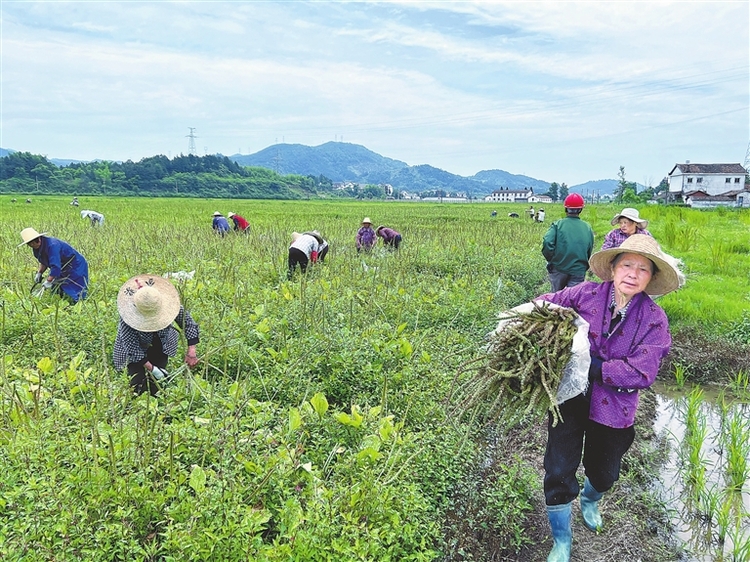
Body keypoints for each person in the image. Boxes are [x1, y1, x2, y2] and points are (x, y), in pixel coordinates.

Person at [535, 234, 681, 562]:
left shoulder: (655, 320)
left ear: (651, 278)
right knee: (558, 469)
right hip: (569, 397)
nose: (632, 273)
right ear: (612, 268)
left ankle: (590, 499)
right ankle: (562, 540)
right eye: (626, 264)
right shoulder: (585, 294)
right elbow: (548, 301)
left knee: (604, 473)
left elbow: (642, 372)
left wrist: (592, 366)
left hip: (615, 407)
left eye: (642, 269)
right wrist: (533, 320)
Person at [113, 274, 200, 396]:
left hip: (160, 342)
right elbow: (133, 349)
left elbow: (189, 324)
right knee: (137, 387)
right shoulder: (127, 316)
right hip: (135, 349)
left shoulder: (170, 305)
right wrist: (152, 369)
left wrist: (192, 350)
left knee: (157, 387)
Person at [18, 227, 89, 303]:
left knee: (76, 288)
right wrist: (39, 273)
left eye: (36, 240)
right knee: (56, 288)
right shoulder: (37, 248)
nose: (35, 244)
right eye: (31, 243)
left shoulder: (52, 245)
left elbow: (55, 266)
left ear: (39, 238)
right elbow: (44, 261)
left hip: (75, 265)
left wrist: (49, 280)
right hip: (62, 266)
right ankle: (60, 301)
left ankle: (78, 303)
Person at [542, 194, 594, 292]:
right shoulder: (587, 227)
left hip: (559, 267)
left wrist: (552, 260)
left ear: (566, 209)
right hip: (578, 269)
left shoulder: (558, 225)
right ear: (581, 209)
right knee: (574, 299)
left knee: (556, 298)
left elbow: (547, 242)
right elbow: (589, 248)